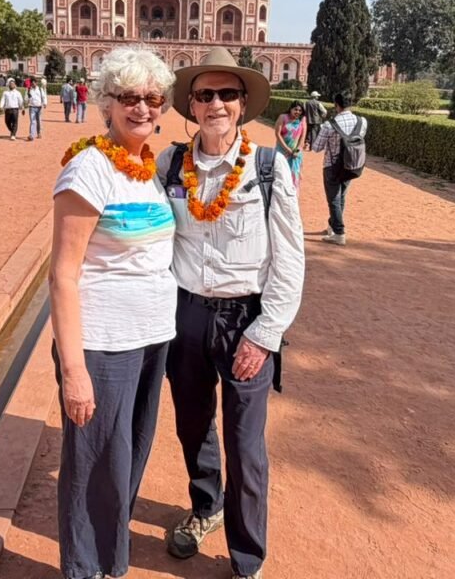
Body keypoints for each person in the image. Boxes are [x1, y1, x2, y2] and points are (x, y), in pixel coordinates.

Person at [157, 46, 304, 579]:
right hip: (185, 314)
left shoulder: (269, 168)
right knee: (193, 425)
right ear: (191, 106)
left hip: (246, 318)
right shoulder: (169, 165)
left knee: (246, 444)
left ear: (243, 104)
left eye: (227, 94)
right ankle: (206, 507)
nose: (215, 103)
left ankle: (247, 558)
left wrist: (265, 334)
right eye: (205, 95)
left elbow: (290, 259)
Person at [49, 48, 178, 579]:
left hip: (150, 337)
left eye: (152, 98)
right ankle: (85, 569)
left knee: (128, 455)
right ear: (107, 102)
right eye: (129, 98)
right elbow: (62, 274)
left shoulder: (148, 168)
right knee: (95, 464)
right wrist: (75, 371)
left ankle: (110, 562)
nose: (142, 108)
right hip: (103, 342)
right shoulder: (89, 168)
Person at [312, 92, 366, 246]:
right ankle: (332, 225)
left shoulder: (330, 124)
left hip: (332, 165)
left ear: (336, 105)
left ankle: (339, 233)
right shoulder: (362, 122)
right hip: (353, 164)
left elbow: (317, 147)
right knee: (341, 196)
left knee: (334, 199)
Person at [275, 100, 306, 187]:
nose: (298, 112)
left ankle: (292, 197)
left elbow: (302, 139)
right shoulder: (283, 117)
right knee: (280, 176)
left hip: (295, 155)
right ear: (291, 109)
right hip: (281, 152)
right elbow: (277, 134)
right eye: (295, 109)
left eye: (300, 111)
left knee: (294, 179)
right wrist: (287, 149)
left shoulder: (302, 121)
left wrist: (297, 150)